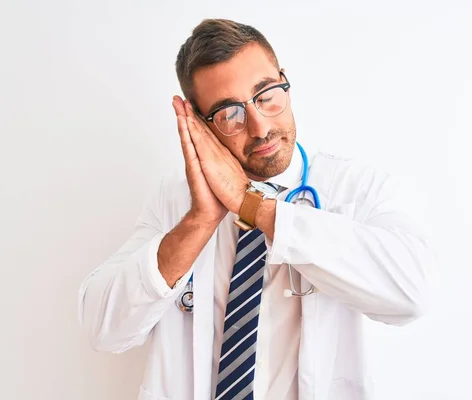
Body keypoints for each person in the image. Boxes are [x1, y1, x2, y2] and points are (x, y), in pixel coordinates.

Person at [78, 18, 436, 400]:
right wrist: (200, 220)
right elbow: (103, 328)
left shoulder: (356, 188)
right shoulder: (176, 201)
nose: (260, 126)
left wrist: (252, 206)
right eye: (230, 113)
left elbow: (412, 294)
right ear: (202, 126)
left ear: (285, 81)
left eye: (266, 95)